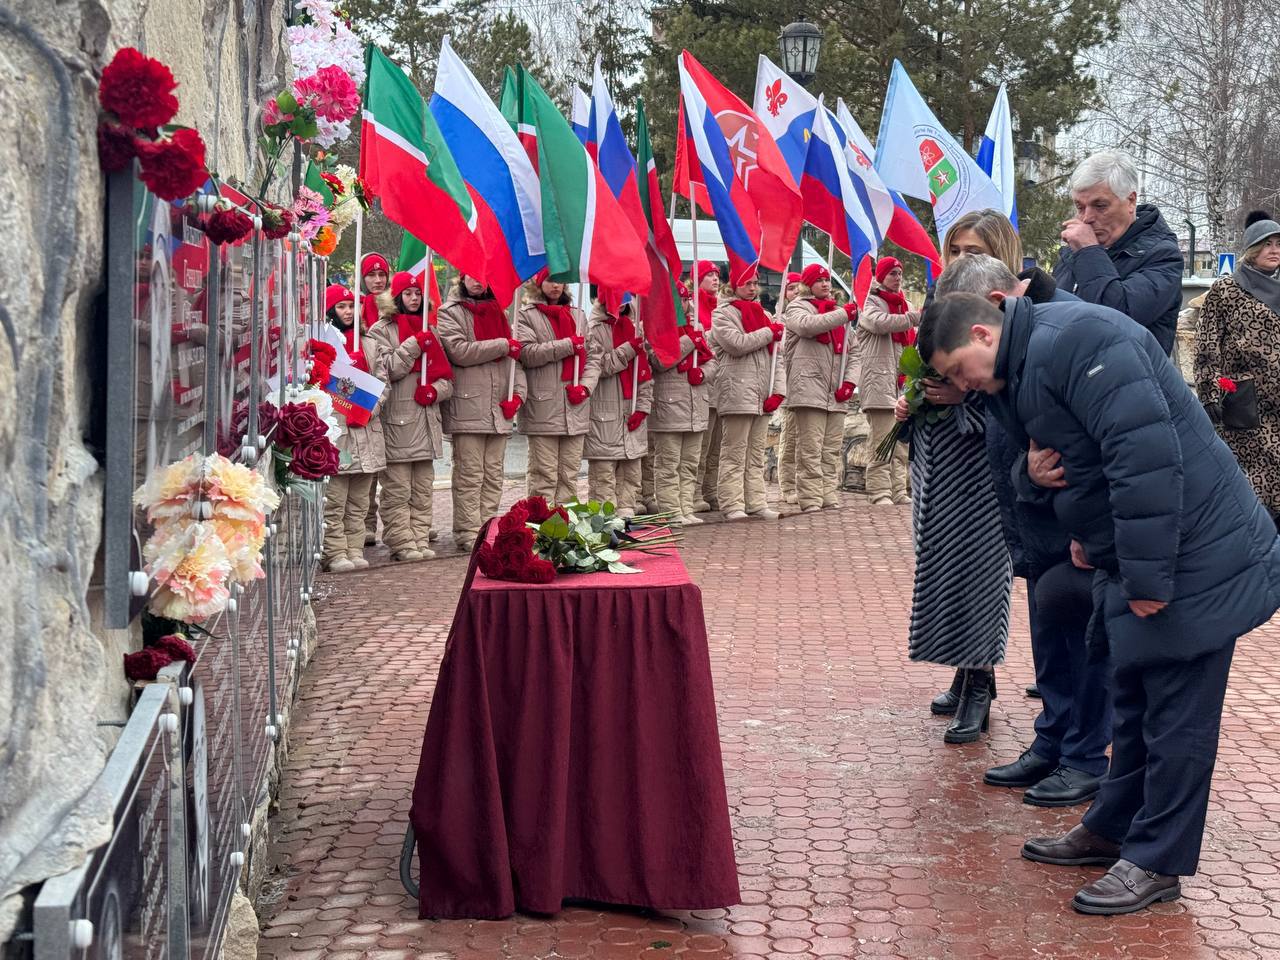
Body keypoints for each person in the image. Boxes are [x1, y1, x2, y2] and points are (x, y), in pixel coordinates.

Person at [919, 289, 1280, 915]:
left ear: (982, 334)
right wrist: (1059, 508)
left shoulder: (1080, 342)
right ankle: (1113, 826)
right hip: (1140, 554)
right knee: (1134, 698)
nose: (962, 385)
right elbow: (1056, 462)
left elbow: (1146, 462)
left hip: (1189, 558)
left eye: (957, 370)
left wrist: (1144, 581)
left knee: (1178, 719)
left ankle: (1156, 860)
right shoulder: (1022, 367)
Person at [932, 255, 1112, 808]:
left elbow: (1095, 442)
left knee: (1084, 643)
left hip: (1070, 524)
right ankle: (1054, 739)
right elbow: (1019, 438)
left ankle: (1084, 756)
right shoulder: (1017, 337)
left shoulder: (1066, 331)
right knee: (1050, 641)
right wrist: (1024, 479)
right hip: (1033, 516)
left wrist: (1086, 525)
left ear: (990, 308)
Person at [1194, 216, 1280, 526]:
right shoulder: (1226, 290)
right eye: (1266, 244)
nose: (1274, 250)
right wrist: (1209, 392)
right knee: (1251, 486)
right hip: (1245, 400)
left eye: (1278, 244)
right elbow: (1206, 345)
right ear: (1251, 249)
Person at [1053, 150, 1183, 355]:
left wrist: (1089, 252)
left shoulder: (1162, 256)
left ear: (1131, 201)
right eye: (1080, 206)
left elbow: (1116, 317)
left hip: (1128, 383)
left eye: (1100, 205)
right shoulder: (1072, 253)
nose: (1086, 218)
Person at [367, 272, 454, 561]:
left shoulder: (432, 329)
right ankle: (401, 543)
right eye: (408, 294)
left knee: (422, 489)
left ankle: (418, 538)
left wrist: (434, 392)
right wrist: (415, 343)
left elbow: (447, 378)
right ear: (397, 297)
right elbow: (389, 368)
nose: (414, 299)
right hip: (398, 423)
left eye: (418, 294)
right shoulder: (381, 330)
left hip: (426, 422)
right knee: (398, 490)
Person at [437, 274, 526, 553]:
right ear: (461, 278)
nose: (478, 282)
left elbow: (516, 364)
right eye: (472, 276)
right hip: (468, 406)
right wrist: (502, 344)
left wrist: (518, 395)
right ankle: (467, 532)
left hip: (498, 408)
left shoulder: (500, 313)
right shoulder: (450, 312)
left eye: (484, 277)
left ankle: (487, 528)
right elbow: (460, 351)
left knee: (493, 474)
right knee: (469, 475)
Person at [320, 283, 386, 573]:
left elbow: (384, 382)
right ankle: (334, 552)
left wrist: (371, 408)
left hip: (367, 431)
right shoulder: (323, 343)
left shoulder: (369, 343)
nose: (348, 312)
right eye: (341, 306)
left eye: (352, 306)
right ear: (330, 310)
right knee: (335, 501)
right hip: (339, 434)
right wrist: (341, 411)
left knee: (360, 502)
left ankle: (354, 547)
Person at [782, 263, 858, 513]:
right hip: (808, 388)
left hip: (835, 391)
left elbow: (855, 351)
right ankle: (810, 498)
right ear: (808, 284)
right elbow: (808, 326)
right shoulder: (796, 307)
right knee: (811, 448)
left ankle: (828, 493)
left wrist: (849, 382)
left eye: (828, 280)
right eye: (819, 280)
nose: (826, 284)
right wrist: (843, 314)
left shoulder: (838, 312)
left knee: (831, 448)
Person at [514, 269, 593, 505]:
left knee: (569, 474)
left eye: (560, 281)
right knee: (544, 474)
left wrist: (586, 387)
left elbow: (593, 357)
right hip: (543, 407)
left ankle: (566, 526)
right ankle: (542, 526)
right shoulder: (526, 315)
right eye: (550, 281)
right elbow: (527, 353)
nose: (556, 286)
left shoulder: (577, 315)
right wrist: (568, 345)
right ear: (539, 284)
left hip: (575, 406)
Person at [712, 265, 784, 521]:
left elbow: (778, 357)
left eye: (755, 283)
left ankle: (756, 501)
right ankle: (732, 504)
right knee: (734, 452)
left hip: (761, 393)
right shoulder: (722, 314)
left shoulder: (764, 314)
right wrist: (768, 333)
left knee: (755, 454)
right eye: (747, 284)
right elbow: (737, 344)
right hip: (737, 391)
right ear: (733, 286)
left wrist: (778, 390)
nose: (753, 288)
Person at [648, 285, 718, 524]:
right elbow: (660, 361)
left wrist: (703, 373)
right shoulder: (657, 327)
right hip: (669, 406)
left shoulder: (696, 327)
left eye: (686, 299)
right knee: (669, 464)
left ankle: (686, 508)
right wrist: (689, 341)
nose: (683, 303)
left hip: (696, 404)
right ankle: (671, 511)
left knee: (689, 463)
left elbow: (713, 362)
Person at [582, 299, 652, 514]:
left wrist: (642, 407)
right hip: (605, 410)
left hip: (630, 408)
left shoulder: (632, 327)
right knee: (603, 473)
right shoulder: (593, 329)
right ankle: (604, 518)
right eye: (615, 295)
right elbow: (600, 366)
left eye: (625, 295)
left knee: (631, 472)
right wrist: (628, 349)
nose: (620, 300)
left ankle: (626, 513)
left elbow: (644, 373)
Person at [858, 257, 916, 506]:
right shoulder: (868, 302)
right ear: (880, 276)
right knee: (881, 440)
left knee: (901, 442)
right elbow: (879, 323)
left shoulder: (905, 305)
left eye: (899, 272)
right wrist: (913, 318)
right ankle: (879, 491)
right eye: (892, 273)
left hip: (901, 382)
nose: (897, 277)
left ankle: (898, 490)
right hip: (878, 381)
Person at [359, 253, 393, 546]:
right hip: (363, 396)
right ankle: (365, 523)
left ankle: (393, 522)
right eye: (371, 275)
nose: (378, 280)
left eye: (382, 275)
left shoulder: (394, 308)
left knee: (390, 467)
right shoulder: (355, 308)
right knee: (364, 466)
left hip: (391, 397)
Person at [691, 261, 723, 512]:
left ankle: (710, 491)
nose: (714, 278)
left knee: (716, 446)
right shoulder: (692, 307)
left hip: (723, 384)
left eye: (716, 274)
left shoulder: (723, 306)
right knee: (700, 446)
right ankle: (693, 494)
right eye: (708, 275)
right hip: (702, 384)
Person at [775, 272, 803, 505]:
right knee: (790, 438)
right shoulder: (779, 319)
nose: (796, 292)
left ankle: (804, 484)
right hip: (789, 382)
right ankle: (787, 485)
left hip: (810, 385)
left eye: (799, 288)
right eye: (791, 288)